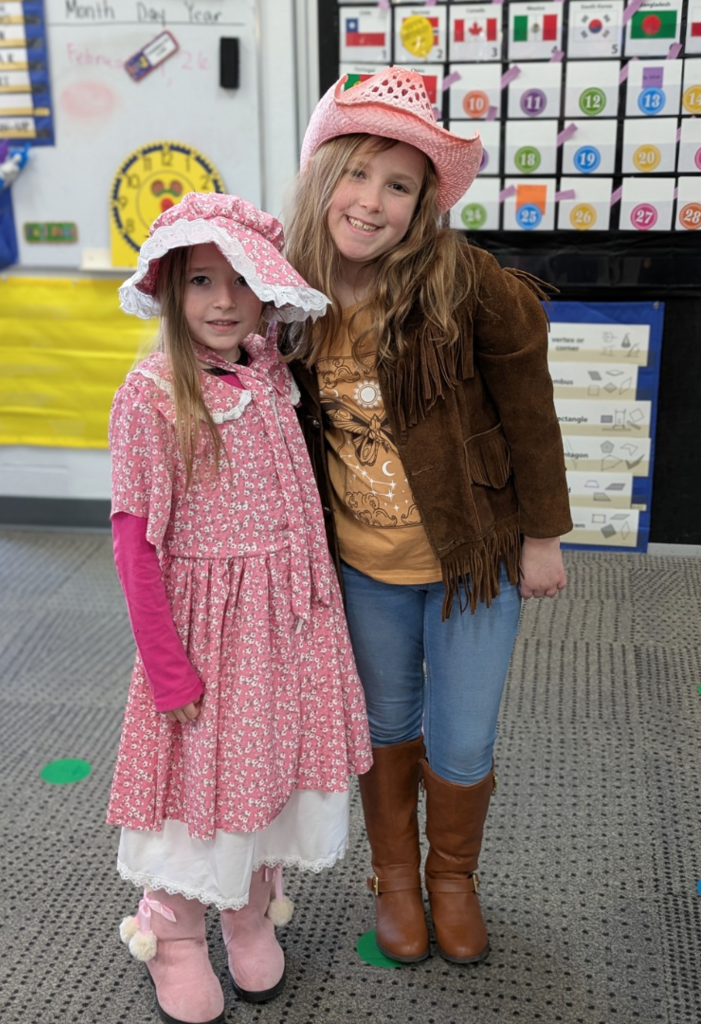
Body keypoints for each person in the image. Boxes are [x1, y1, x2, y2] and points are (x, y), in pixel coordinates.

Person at [281, 67, 573, 967]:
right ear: (323, 175)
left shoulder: (465, 282)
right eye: (358, 174)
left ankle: (452, 876)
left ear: (423, 205)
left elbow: (529, 405)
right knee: (384, 724)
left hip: (471, 558)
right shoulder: (287, 291)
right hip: (361, 566)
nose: (371, 202)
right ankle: (396, 879)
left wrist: (540, 534)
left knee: (462, 732)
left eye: (399, 185)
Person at [107, 192, 372, 1024]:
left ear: (267, 292)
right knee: (203, 780)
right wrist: (165, 666)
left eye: (241, 281)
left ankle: (248, 907)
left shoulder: (273, 373)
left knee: (268, 771)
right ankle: (176, 930)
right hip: (206, 635)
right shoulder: (150, 393)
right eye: (199, 282)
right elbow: (134, 545)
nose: (222, 302)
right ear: (167, 291)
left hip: (288, 625)